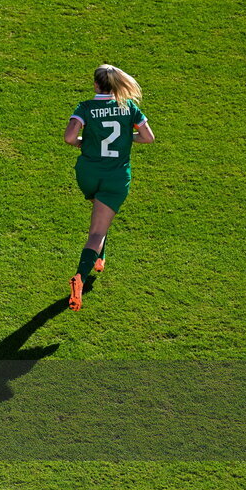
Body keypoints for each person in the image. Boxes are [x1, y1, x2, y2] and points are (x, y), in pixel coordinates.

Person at [63, 64, 155, 311]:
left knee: (101, 213)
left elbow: (70, 138)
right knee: (97, 231)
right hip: (115, 177)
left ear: (95, 84)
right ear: (117, 85)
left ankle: (100, 258)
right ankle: (79, 278)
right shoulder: (129, 108)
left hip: (88, 173)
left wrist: (85, 142)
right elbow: (148, 137)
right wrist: (128, 139)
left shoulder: (85, 107)